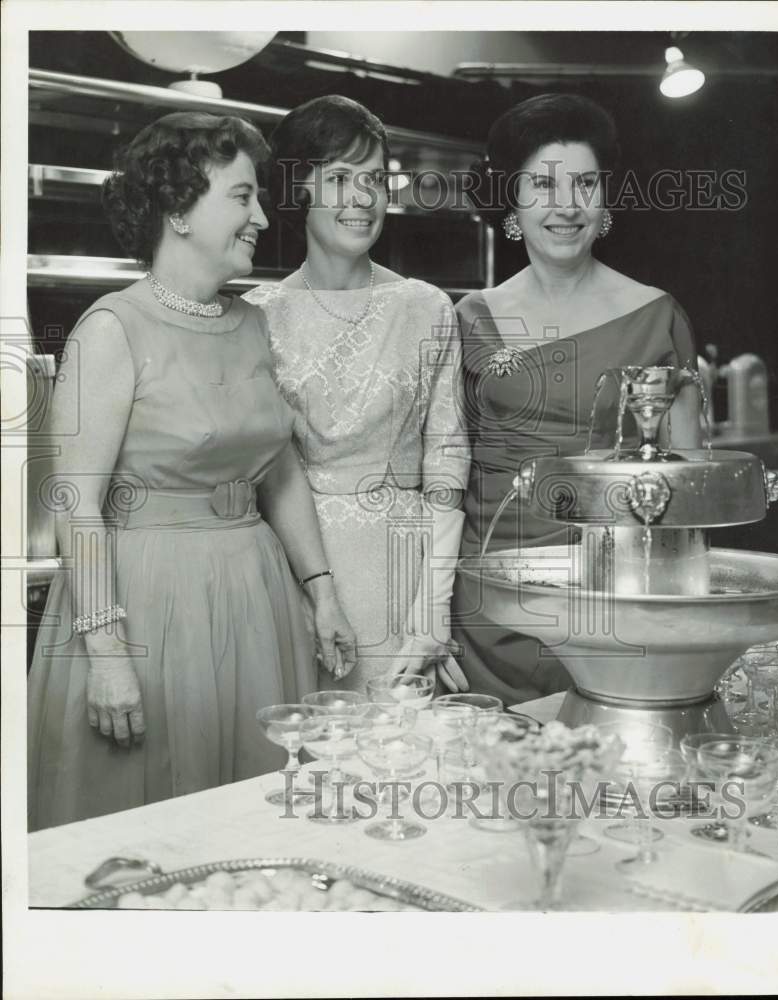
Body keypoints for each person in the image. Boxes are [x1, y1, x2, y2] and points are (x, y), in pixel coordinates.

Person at [27, 112, 357, 831]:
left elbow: (280, 469)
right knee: (151, 827)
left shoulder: (251, 323)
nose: (264, 219)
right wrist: (108, 655)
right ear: (178, 209)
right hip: (147, 606)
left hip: (255, 599)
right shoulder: (112, 330)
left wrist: (322, 593)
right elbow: (76, 509)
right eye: (242, 198)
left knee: (251, 819)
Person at [451, 93, 702, 706]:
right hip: (489, 611)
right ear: (513, 198)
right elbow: (446, 479)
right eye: (543, 184)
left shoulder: (656, 315)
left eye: (584, 183)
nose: (566, 206)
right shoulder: (468, 318)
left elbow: (690, 496)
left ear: (606, 197)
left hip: (615, 605)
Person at [244, 95, 470, 695]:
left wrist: (432, 612)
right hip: (297, 575)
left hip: (405, 573)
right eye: (340, 178)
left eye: (374, 179)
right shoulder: (258, 317)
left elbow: (448, 463)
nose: (363, 198)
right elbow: (261, 475)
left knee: (400, 766)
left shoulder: (426, 307)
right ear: (301, 191)